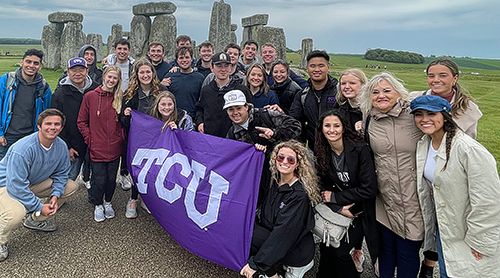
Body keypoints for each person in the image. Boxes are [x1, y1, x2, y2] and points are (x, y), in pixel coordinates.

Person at [410, 95, 500, 277]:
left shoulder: (469, 149)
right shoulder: (425, 144)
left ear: (445, 116)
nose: (424, 119)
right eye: (419, 114)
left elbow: (488, 201)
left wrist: (480, 241)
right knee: (447, 271)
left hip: (468, 231)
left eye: (431, 114)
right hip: (445, 228)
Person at [358, 72, 424, 278]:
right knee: (385, 251)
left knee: (408, 251)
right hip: (385, 196)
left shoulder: (415, 114)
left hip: (413, 195)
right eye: (375, 92)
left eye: (387, 90)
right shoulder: (369, 118)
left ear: (398, 92)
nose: (381, 96)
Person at [0, 109, 78, 262]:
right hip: (5, 185)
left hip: (29, 183)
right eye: (48, 123)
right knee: (15, 215)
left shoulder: (61, 146)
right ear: (39, 126)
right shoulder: (23, 149)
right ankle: (1, 241)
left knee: (70, 187)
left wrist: (55, 196)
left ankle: (35, 221)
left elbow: (62, 174)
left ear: (61, 128)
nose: (52, 127)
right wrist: (38, 205)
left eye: (57, 124)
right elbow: (16, 185)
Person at [240, 140, 320, 278]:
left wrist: (255, 264)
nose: (284, 162)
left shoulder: (299, 195)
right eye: (280, 157)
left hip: (297, 249)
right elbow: (260, 171)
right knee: (245, 229)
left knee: (251, 236)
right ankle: (272, 271)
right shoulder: (275, 179)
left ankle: (281, 272)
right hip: (277, 235)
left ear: (297, 164)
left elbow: (283, 234)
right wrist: (259, 152)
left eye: (290, 159)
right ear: (275, 159)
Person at [314, 110, 378, 277]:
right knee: (326, 247)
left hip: (360, 210)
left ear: (343, 127)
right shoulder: (322, 150)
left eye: (336, 125)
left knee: (341, 253)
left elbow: (369, 189)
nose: (332, 130)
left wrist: (336, 198)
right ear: (321, 128)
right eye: (327, 126)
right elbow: (321, 186)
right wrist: (336, 206)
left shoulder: (359, 149)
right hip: (337, 208)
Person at [224, 89, 301, 205]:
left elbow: (296, 126)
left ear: (246, 107)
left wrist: (274, 133)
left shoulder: (266, 114)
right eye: (231, 109)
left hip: (283, 171)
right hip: (257, 180)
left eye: (238, 108)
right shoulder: (232, 134)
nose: (235, 113)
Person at [119, 58, 166, 218]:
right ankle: (133, 199)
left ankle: (147, 199)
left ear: (153, 73)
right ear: (136, 75)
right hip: (137, 139)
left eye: (148, 72)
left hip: (156, 138)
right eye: (142, 72)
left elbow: (169, 110)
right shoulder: (130, 94)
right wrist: (126, 116)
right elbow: (123, 121)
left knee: (152, 169)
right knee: (137, 170)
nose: (145, 75)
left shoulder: (161, 90)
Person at [77, 66, 125, 222]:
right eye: (109, 77)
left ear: (118, 80)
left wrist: (120, 137)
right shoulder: (90, 96)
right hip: (97, 146)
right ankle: (98, 204)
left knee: (112, 179)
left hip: (114, 146)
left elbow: (124, 123)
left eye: (115, 78)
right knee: (99, 179)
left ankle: (108, 202)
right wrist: (89, 138)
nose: (111, 80)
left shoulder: (120, 97)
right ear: (104, 76)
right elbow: (81, 121)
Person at [51, 57, 98, 182]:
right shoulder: (59, 95)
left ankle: (94, 200)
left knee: (96, 178)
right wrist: (67, 146)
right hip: (73, 145)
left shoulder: (96, 90)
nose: (78, 73)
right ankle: (58, 200)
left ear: (87, 71)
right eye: (73, 70)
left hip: (94, 143)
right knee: (69, 178)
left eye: (81, 70)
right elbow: (55, 123)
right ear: (67, 72)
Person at [410, 58, 482, 139]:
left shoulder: (468, 108)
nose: (436, 80)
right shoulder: (413, 98)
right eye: (431, 76)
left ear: (455, 78)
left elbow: (469, 141)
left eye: (443, 76)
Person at [0, 49, 51, 160]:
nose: (31, 66)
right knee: (3, 172)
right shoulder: (6, 80)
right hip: (7, 135)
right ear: (21, 62)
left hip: (30, 136)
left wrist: (41, 136)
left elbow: (46, 114)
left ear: (40, 66)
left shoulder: (44, 87)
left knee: (25, 171)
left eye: (35, 63)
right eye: (28, 62)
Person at [289, 50, 339, 151]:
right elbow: (294, 121)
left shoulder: (339, 92)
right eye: (312, 66)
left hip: (339, 149)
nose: (316, 69)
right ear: (307, 68)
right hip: (314, 148)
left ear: (328, 67)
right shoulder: (303, 95)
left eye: (321, 65)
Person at [195, 52, 253, 137]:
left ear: (230, 68)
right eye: (219, 66)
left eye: (226, 66)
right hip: (211, 138)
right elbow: (200, 109)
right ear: (212, 68)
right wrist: (200, 122)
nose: (223, 69)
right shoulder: (206, 90)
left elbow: (251, 113)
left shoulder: (241, 90)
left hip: (234, 140)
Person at [165, 46, 204, 119]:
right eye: (181, 58)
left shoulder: (200, 78)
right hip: (173, 119)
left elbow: (202, 102)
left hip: (192, 120)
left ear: (191, 59)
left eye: (187, 57)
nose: (184, 60)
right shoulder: (170, 76)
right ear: (177, 60)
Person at [336, 69, 367, 134]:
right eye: (343, 83)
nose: (347, 87)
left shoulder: (371, 110)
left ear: (363, 85)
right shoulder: (338, 109)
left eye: (352, 83)